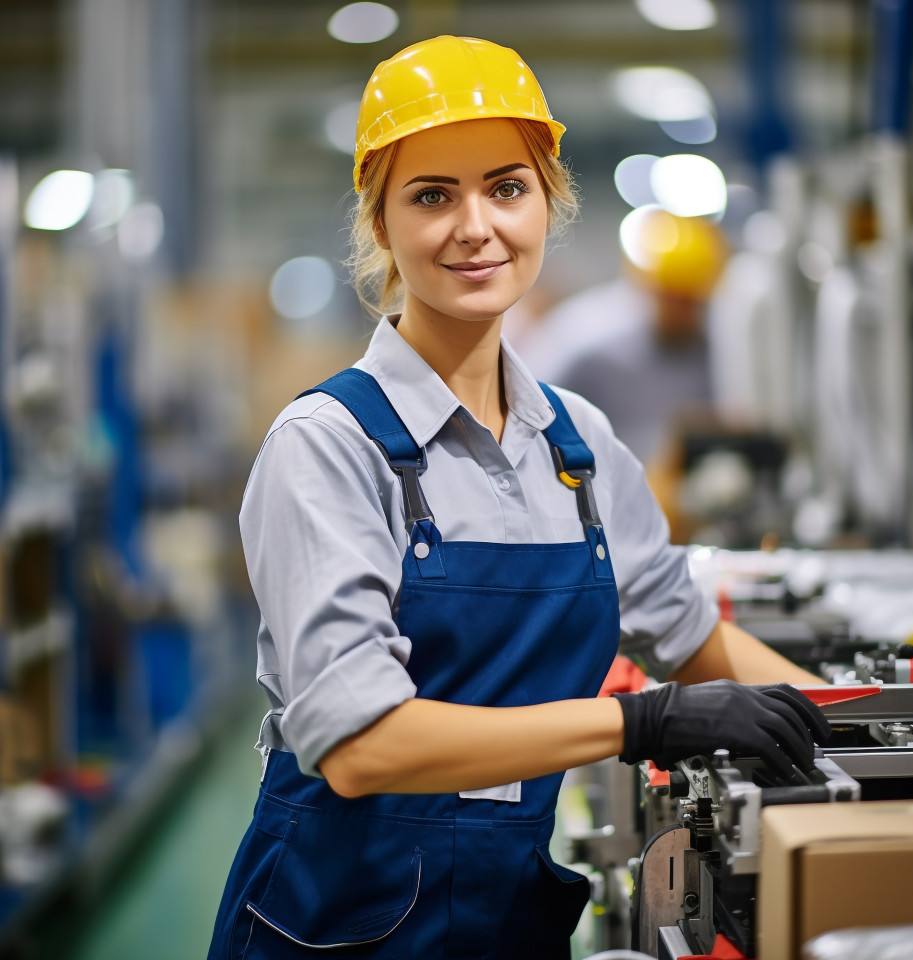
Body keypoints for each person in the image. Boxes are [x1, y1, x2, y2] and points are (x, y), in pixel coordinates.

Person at [207, 36, 828, 960]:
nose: (475, 226)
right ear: (379, 224)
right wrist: (641, 721)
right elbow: (362, 743)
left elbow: (688, 630)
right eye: (430, 196)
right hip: (332, 923)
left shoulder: (579, 447)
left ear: (548, 202)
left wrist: (854, 729)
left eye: (505, 187)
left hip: (503, 917)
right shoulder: (328, 450)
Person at [516, 206, 728, 466]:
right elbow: (519, 406)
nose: (683, 311)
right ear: (648, 284)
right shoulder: (583, 337)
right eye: (673, 297)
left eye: (693, 300)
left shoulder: (710, 345)